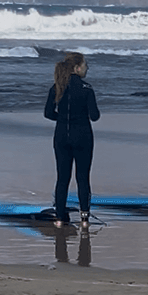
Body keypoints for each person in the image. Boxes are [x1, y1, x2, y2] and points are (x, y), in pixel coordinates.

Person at [44, 52, 100, 227]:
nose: (87, 68)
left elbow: (47, 113)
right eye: (85, 65)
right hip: (83, 136)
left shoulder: (56, 87)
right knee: (83, 178)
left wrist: (62, 119)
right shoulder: (87, 88)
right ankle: (84, 218)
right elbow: (95, 116)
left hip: (61, 136)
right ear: (77, 68)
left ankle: (60, 218)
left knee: (62, 178)